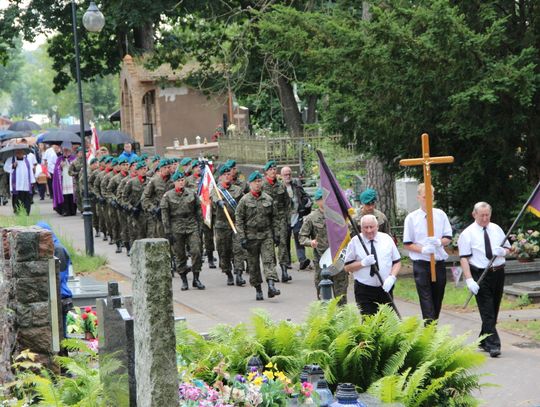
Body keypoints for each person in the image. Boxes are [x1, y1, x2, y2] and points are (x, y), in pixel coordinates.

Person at [458, 202, 510, 358]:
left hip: (498, 273)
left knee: (494, 309)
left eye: (488, 215)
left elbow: (508, 248)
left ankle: (483, 339)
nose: (485, 218)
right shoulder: (467, 234)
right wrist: (468, 280)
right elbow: (464, 258)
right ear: (475, 214)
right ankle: (494, 345)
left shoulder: (496, 229)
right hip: (480, 274)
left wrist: (503, 251)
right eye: (482, 215)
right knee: (487, 311)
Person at [403, 183, 452, 323]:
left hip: (438, 262)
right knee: (426, 299)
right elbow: (407, 243)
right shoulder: (412, 218)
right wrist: (423, 249)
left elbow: (448, 237)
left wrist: (439, 242)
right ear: (419, 197)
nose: (428, 200)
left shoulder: (440, 215)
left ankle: (432, 325)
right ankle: (429, 330)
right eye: (425, 197)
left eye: (431, 196)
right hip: (422, 263)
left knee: (438, 297)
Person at [235, 170, 281, 300]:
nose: (257, 184)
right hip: (251, 237)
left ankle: (271, 286)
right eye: (255, 182)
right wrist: (242, 237)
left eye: (259, 181)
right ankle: (258, 288)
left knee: (269, 261)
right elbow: (239, 219)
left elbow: (275, 218)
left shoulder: (268, 198)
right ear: (250, 184)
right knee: (253, 264)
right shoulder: (244, 200)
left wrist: (276, 234)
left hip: (266, 235)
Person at [344, 214, 401, 315]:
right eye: (365, 227)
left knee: (386, 321)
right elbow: (347, 267)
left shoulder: (386, 239)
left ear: (377, 227)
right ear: (360, 228)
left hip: (385, 288)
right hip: (364, 289)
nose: (369, 230)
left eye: (371, 227)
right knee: (368, 322)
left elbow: (397, 262)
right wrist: (362, 263)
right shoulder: (355, 242)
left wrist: (392, 277)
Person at [299, 188, 348, 304]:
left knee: (341, 294)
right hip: (321, 261)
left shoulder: (337, 215)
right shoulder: (312, 218)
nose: (325, 201)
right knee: (322, 294)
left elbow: (348, 233)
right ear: (317, 201)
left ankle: (342, 318)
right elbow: (302, 236)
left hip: (338, 259)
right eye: (321, 199)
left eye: (326, 198)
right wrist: (310, 242)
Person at [161, 170, 205, 290]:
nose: (181, 182)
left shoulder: (191, 193)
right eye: (178, 181)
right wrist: (168, 231)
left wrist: (200, 227)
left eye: (182, 180)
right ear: (174, 182)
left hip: (191, 225)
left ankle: (196, 278)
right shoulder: (168, 196)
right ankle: (184, 280)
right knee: (180, 255)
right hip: (177, 227)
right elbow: (165, 214)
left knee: (196, 251)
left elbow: (198, 210)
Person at [36, 221, 73, 338]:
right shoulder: (50, 248)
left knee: (61, 335)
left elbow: (59, 276)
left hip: (60, 296)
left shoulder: (58, 250)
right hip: (55, 296)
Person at [212, 164, 246, 286]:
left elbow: (242, 205)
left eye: (228, 174)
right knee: (224, 251)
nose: (227, 177)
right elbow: (213, 198)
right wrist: (218, 201)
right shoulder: (216, 190)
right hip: (222, 226)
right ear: (220, 177)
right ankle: (228, 273)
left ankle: (239, 274)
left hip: (236, 224)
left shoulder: (237, 190)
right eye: (224, 175)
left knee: (238, 249)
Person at [262, 160, 292, 283]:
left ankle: (284, 270)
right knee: (269, 246)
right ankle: (272, 271)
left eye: (275, 169)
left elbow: (287, 203)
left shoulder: (281, 185)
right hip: (267, 220)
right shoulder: (262, 186)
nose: (273, 171)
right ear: (266, 172)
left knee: (283, 244)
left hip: (280, 219)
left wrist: (287, 218)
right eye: (271, 169)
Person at [281, 166, 312, 270]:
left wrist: (307, 202)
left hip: (297, 215)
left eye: (289, 174)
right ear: (281, 176)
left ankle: (302, 260)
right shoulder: (279, 187)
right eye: (285, 174)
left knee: (299, 237)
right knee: (285, 240)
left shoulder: (296, 185)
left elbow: (304, 196)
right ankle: (287, 262)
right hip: (284, 218)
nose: (288, 176)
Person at [3, 147, 36, 215]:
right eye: (18, 152)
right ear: (15, 152)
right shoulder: (11, 159)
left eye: (21, 152)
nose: (20, 153)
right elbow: (5, 168)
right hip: (16, 184)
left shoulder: (27, 160)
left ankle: (26, 212)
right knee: (17, 198)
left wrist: (32, 181)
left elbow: (30, 171)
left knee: (26, 198)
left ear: (23, 152)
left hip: (26, 183)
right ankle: (17, 211)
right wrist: (13, 165)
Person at [52, 142, 77, 216]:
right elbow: (56, 170)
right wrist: (60, 166)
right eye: (64, 151)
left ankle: (73, 210)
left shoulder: (74, 158)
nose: (66, 152)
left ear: (70, 151)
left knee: (72, 195)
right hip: (63, 180)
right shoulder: (59, 159)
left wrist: (71, 164)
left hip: (71, 179)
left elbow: (77, 167)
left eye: (67, 150)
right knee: (65, 195)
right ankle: (65, 210)